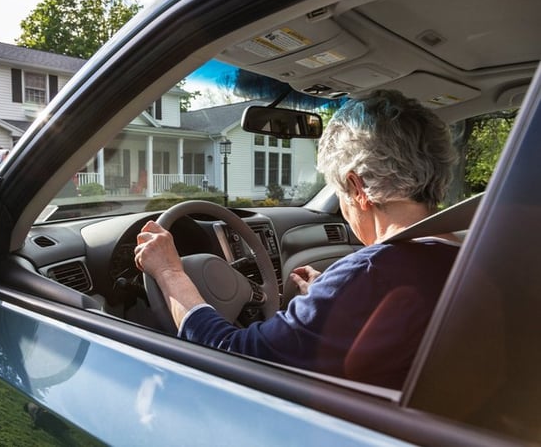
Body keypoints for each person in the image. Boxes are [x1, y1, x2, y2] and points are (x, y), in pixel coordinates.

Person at [134, 89, 461, 389]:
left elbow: (231, 357)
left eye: (341, 194)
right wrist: (326, 297)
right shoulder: (467, 253)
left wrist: (169, 273)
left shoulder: (372, 276)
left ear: (357, 189)